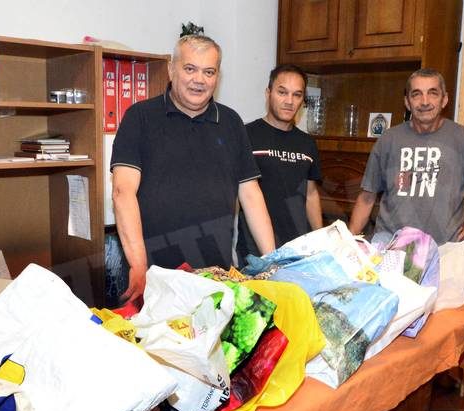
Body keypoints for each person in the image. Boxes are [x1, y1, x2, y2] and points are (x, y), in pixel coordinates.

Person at [111, 35, 275, 302]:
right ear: (171, 68)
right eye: (190, 69)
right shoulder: (139, 117)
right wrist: (139, 267)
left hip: (216, 278)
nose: (199, 80)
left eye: (208, 72)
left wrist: (270, 262)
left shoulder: (232, 123)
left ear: (217, 77)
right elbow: (122, 192)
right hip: (154, 279)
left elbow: (251, 195)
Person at [348, 68, 464, 245]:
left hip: (442, 251)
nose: (424, 101)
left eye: (433, 93)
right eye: (416, 94)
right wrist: (348, 243)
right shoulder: (388, 139)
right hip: (390, 248)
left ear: (445, 99)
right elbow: (367, 197)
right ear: (407, 102)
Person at [235, 64, 322, 263]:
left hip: (299, 247)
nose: (289, 101)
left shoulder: (307, 143)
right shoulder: (245, 135)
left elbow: (311, 193)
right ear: (268, 93)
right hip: (254, 249)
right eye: (282, 92)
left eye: (297, 95)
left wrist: (320, 238)